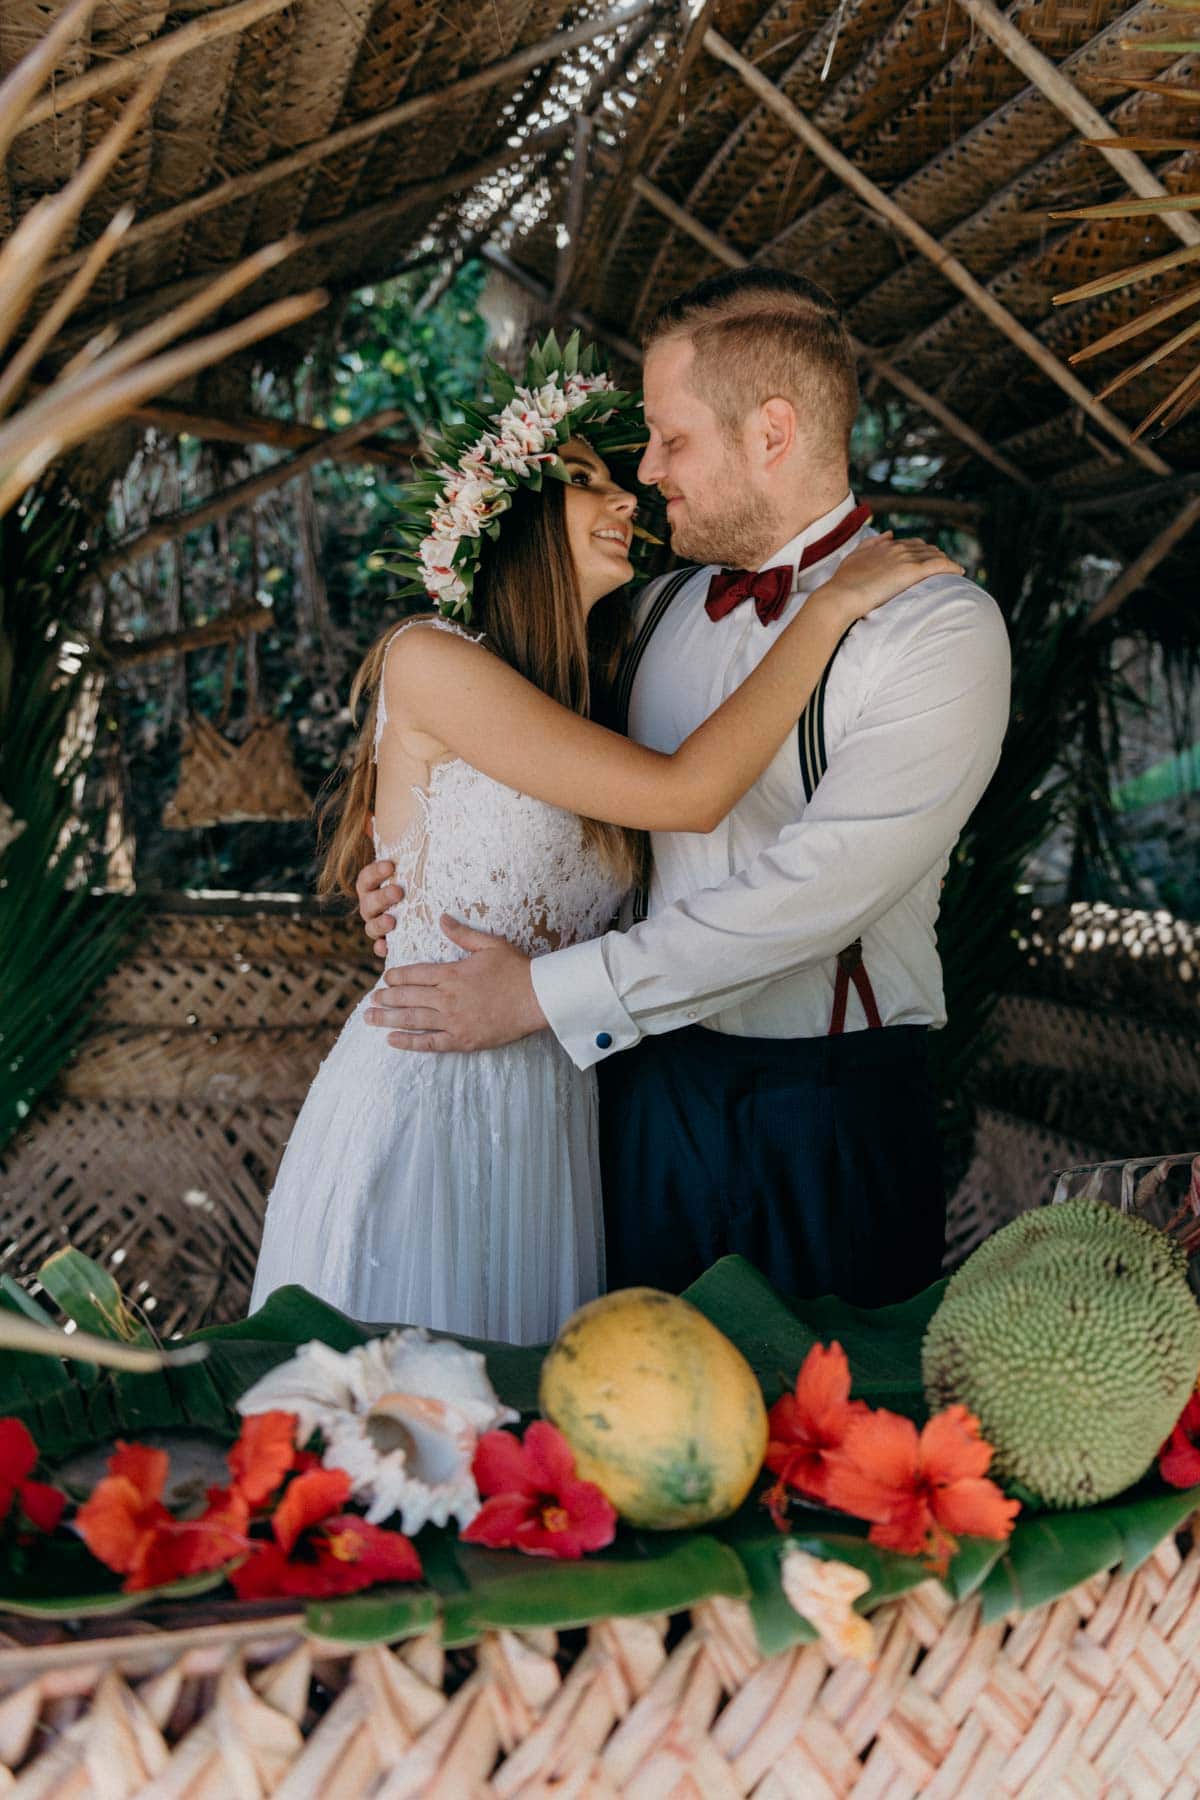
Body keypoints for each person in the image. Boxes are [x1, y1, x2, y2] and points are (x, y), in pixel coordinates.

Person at [250, 330, 954, 1344]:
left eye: (637, 470)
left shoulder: (601, 690)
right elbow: (689, 795)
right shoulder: (428, 659)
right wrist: (832, 604)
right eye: (585, 480)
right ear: (508, 520)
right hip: (440, 1097)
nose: (632, 495)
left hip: (562, 1106)